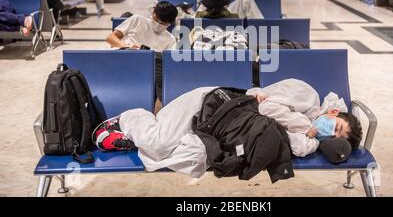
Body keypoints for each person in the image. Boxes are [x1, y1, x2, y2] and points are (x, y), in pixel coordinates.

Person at [91, 79, 362, 178]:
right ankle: (127, 119)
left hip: (221, 128)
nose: (330, 133)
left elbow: (294, 143)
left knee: (184, 157)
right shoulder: (307, 96)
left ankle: (129, 135)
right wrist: (308, 128)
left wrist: (312, 137)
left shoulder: (308, 134)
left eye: (335, 136)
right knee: (158, 143)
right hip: (210, 105)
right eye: (336, 126)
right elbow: (267, 108)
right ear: (333, 112)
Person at [106, 1, 178, 51]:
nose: (158, 24)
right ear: (153, 13)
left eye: (163, 23)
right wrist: (125, 46)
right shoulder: (137, 19)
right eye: (156, 19)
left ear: (170, 23)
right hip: (123, 57)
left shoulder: (170, 40)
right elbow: (111, 38)